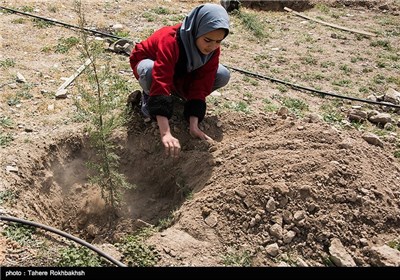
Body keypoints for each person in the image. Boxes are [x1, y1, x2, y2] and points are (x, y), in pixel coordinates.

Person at [129, 3, 231, 158]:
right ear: (196, 30)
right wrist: (166, 133)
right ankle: (148, 97)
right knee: (150, 70)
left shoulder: (212, 50)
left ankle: (181, 98)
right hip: (152, 65)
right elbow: (161, 77)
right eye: (208, 40)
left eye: (218, 42)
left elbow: (202, 83)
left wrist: (194, 125)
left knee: (222, 74)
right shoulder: (170, 40)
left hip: (180, 72)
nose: (212, 46)